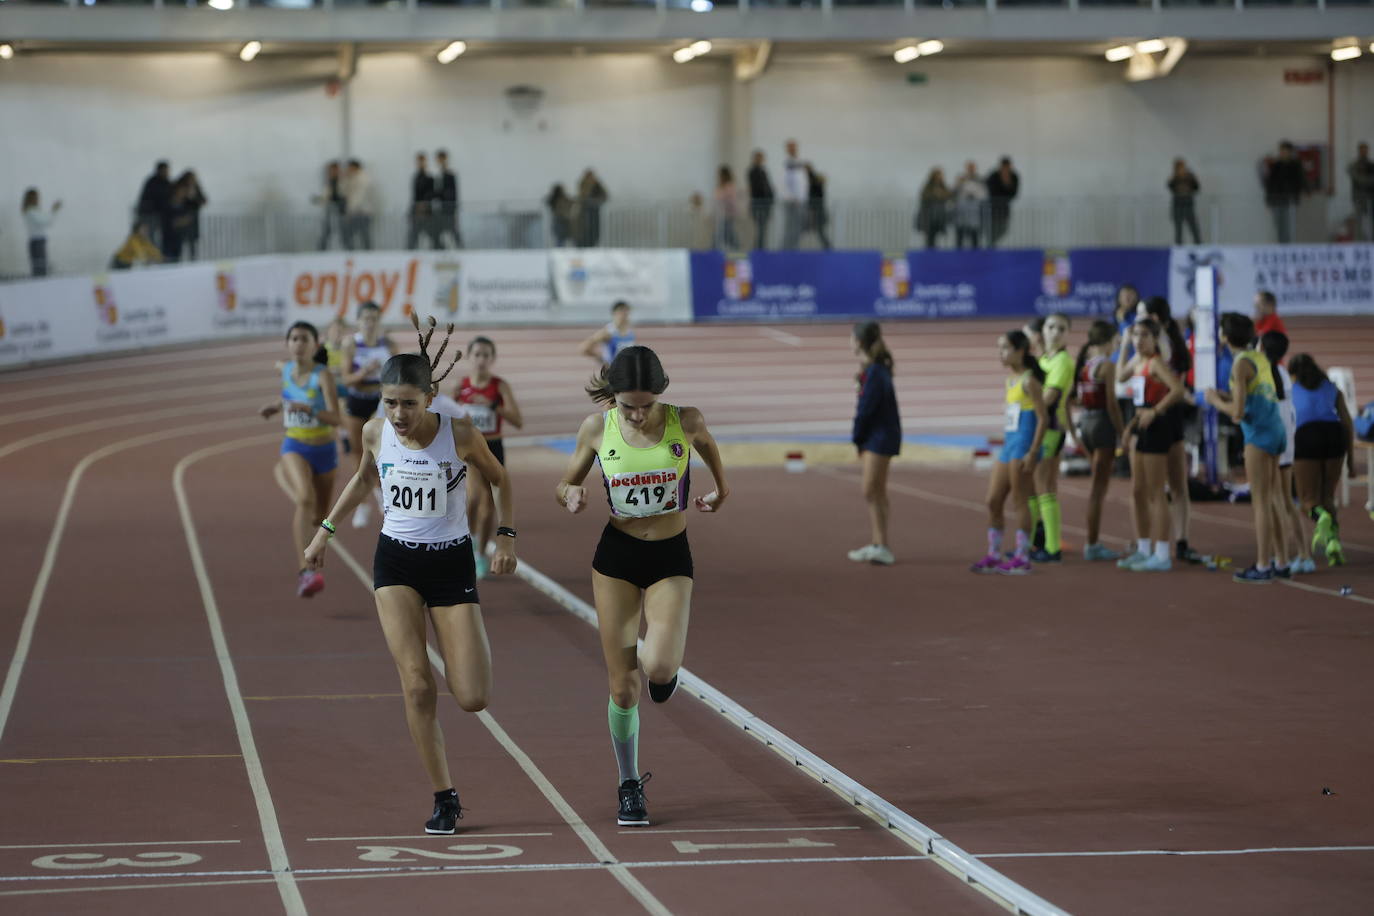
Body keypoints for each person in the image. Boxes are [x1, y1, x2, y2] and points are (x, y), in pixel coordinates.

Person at [303, 316, 517, 836]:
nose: (398, 414)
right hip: (395, 561)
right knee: (418, 685)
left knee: (472, 697)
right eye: (390, 402)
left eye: (408, 403)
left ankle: (466, 653)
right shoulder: (375, 430)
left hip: (451, 562)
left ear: (430, 397)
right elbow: (362, 478)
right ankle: (445, 795)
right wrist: (324, 531)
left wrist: (505, 534)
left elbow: (499, 477)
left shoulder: (458, 433)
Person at [554, 346, 729, 826]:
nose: (635, 413)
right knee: (622, 688)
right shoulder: (598, 428)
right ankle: (629, 783)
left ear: (661, 393)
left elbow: (710, 449)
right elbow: (563, 482)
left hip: (670, 554)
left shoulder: (684, 421)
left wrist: (721, 488)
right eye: (626, 404)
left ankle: (663, 676)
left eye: (644, 404)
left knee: (657, 665)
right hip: (616, 558)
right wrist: (570, 493)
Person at [259, 322, 342, 598]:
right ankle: (306, 572)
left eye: (304, 339)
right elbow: (287, 396)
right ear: (288, 343)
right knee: (304, 499)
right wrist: (276, 407)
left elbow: (336, 418)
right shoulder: (285, 370)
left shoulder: (323, 376)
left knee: (319, 518)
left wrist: (311, 409)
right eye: (293, 338)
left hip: (324, 450)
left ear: (315, 345)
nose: (298, 343)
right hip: (294, 445)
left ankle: (314, 558)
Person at [1205, 313, 1290, 584]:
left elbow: (1238, 412)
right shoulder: (1258, 357)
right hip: (1276, 430)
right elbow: (1255, 393)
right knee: (1274, 499)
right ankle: (1281, 560)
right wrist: (1226, 396)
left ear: (1224, 336)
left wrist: (1215, 402)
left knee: (1261, 503)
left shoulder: (1239, 365)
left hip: (1259, 436)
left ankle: (1263, 565)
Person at [971, 330, 1047, 575]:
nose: (1000, 354)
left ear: (1020, 351)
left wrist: (1034, 451)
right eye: (999, 348)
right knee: (992, 500)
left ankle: (1023, 557)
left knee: (1020, 501)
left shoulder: (1029, 381)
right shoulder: (1010, 381)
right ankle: (994, 554)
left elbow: (1043, 419)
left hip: (1023, 446)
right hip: (1009, 445)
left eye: (1005, 348)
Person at [1115, 318, 1186, 573]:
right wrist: (1124, 345)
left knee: (1156, 493)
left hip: (1157, 428)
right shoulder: (1138, 361)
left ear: (1155, 339)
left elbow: (1178, 390)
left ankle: (1162, 553)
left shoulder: (1156, 363)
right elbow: (1120, 377)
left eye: (1144, 335)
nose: (1138, 340)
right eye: (1135, 335)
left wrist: (1155, 412)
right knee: (1138, 491)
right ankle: (1144, 549)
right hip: (1140, 425)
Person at [454, 336, 523, 578]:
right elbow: (445, 417)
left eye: (486, 355)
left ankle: (480, 553)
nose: (481, 359)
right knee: (475, 501)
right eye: (477, 354)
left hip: (494, 447)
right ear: (469, 356)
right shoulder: (460, 387)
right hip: (471, 449)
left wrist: (493, 406)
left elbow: (518, 421)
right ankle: (470, 541)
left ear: (492, 358)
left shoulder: (500, 386)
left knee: (487, 506)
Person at [1139, 296, 1198, 564]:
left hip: (1160, 415)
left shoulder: (1163, 347)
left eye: (1141, 314)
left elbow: (1177, 386)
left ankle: (1162, 546)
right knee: (1176, 485)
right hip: (1170, 416)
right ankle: (1179, 540)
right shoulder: (1170, 341)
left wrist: (1157, 408)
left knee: (1161, 487)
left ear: (1154, 318)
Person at [1288, 352, 1355, 567]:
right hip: (1335, 437)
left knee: (1307, 502)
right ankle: (1333, 544)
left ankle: (1320, 519)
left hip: (1307, 436)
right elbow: (1347, 423)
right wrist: (1351, 460)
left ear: (1294, 375)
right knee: (1328, 497)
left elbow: (1286, 424)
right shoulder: (1332, 388)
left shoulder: (1290, 390)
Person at [1071, 320, 1126, 560]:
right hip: (1103, 425)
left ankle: (1093, 543)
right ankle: (1092, 545)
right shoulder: (1107, 367)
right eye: (1116, 339)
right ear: (1109, 340)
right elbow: (1112, 404)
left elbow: (1080, 399)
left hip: (1087, 423)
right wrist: (1122, 431)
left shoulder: (1085, 366)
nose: (1118, 343)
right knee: (1098, 490)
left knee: (1097, 488)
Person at [847, 322, 901, 566]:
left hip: (880, 436)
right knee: (875, 491)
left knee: (871, 489)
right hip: (876, 435)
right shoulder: (872, 369)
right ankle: (879, 543)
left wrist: (857, 437)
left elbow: (867, 409)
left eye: (851, 338)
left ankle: (883, 545)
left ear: (859, 341)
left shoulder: (877, 372)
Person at [1261, 331, 1313, 575]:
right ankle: (1303, 554)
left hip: (1274, 442)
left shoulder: (1266, 375)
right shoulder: (1282, 372)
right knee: (1285, 502)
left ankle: (1277, 555)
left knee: (1274, 502)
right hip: (1287, 442)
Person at [340, 302, 396, 528]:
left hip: (380, 401)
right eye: (366, 318)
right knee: (358, 453)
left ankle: (382, 494)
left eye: (374, 318)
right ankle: (363, 503)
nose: (370, 323)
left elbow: (397, 373)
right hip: (357, 401)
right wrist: (365, 371)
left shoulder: (388, 344)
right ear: (358, 321)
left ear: (379, 320)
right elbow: (345, 378)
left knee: (380, 453)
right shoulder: (351, 344)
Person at [1028, 313, 1075, 564]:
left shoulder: (1062, 362)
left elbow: (1049, 398)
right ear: (1043, 331)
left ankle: (1052, 547)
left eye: (1061, 328)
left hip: (1051, 429)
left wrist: (1026, 406)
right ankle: (1038, 541)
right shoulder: (1043, 360)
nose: (1055, 332)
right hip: (1037, 428)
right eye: (1051, 327)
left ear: (1067, 334)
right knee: (1033, 487)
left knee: (1044, 486)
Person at [1264, 141, 1306, 244]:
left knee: (1289, 225)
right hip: (1276, 199)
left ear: (1290, 152)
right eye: (1281, 151)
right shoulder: (1276, 165)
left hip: (1289, 199)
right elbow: (1270, 183)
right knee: (1278, 225)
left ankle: (1288, 247)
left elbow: (1300, 181)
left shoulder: (1295, 165)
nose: (1283, 153)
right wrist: (1269, 199)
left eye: (1285, 151)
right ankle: (1281, 246)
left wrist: (1298, 194)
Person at [580, 300, 635, 371]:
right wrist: (603, 360)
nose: (625, 315)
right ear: (614, 313)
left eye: (627, 312)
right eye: (622, 312)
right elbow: (584, 348)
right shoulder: (608, 332)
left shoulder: (629, 331)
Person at [21, 188, 60, 278]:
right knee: (40, 268)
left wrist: (53, 212)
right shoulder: (31, 211)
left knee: (41, 267)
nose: (38, 199)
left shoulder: (33, 211)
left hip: (39, 241)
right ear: (31, 198)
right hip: (36, 242)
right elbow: (45, 221)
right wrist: (53, 210)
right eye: (36, 197)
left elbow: (47, 221)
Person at [136, 161, 172, 249]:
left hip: (157, 214)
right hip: (150, 214)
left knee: (156, 236)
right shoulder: (153, 182)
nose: (167, 172)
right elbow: (157, 198)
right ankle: (153, 255)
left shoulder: (165, 182)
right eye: (165, 170)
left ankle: (156, 255)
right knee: (151, 236)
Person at [342, 159, 377, 251]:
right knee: (354, 234)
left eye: (349, 168)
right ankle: (356, 252)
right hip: (356, 212)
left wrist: (351, 211)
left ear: (354, 167)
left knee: (362, 234)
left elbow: (359, 197)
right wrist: (346, 179)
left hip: (362, 212)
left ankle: (367, 253)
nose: (348, 170)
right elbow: (343, 192)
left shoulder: (363, 179)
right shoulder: (351, 179)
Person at [985, 157, 1019, 247]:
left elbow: (1013, 193)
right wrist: (1002, 182)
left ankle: (992, 243)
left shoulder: (1013, 176)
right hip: (993, 207)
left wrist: (1007, 183)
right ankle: (991, 244)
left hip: (1005, 207)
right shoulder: (994, 175)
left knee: (1004, 228)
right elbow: (991, 190)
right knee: (993, 228)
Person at [313, 161, 346, 251]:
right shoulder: (329, 182)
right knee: (327, 229)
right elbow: (325, 196)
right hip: (331, 209)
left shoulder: (345, 181)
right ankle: (322, 249)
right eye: (330, 170)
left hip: (342, 210)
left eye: (334, 170)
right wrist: (319, 200)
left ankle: (347, 249)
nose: (332, 172)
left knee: (344, 230)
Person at [952, 161, 986, 249]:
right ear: (966, 168)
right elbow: (955, 190)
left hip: (974, 208)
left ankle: (975, 252)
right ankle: (958, 252)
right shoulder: (961, 178)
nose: (971, 169)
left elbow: (983, 193)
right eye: (969, 167)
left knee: (974, 232)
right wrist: (959, 183)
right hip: (962, 208)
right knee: (960, 231)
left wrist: (974, 195)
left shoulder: (980, 179)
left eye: (972, 167)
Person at [1168, 158, 1202, 245]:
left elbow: (1196, 187)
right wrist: (1174, 178)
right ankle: (1179, 245)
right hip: (1178, 205)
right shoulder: (1174, 177)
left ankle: (1198, 244)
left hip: (1188, 204)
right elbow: (1170, 187)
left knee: (1193, 226)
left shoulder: (1190, 176)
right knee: (1178, 227)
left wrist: (1192, 179)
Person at [915, 167, 950, 249]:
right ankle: (929, 251)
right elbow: (924, 195)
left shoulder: (943, 186)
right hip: (928, 214)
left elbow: (948, 195)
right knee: (929, 235)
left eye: (940, 175)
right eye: (937, 175)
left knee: (937, 233)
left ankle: (935, 251)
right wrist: (935, 195)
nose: (939, 177)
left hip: (939, 214)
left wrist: (940, 195)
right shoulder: (928, 186)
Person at [781, 139, 807, 250]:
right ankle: (786, 249)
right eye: (790, 147)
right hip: (792, 201)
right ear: (787, 149)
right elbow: (787, 182)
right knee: (791, 227)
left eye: (794, 147)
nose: (793, 149)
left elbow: (801, 182)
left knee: (798, 227)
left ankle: (793, 248)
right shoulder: (788, 163)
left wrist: (802, 198)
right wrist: (791, 197)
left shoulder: (798, 162)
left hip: (800, 200)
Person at [407, 152, 436, 250]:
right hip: (416, 212)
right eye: (419, 161)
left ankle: (437, 251)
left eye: (422, 161)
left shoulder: (430, 178)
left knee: (432, 234)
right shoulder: (415, 178)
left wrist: (424, 205)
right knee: (413, 236)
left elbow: (431, 194)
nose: (420, 163)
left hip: (427, 212)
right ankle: (409, 254)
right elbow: (414, 196)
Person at [434, 150, 462, 249]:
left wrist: (454, 209)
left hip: (449, 209)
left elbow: (454, 194)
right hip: (441, 209)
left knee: (453, 231)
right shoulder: (438, 176)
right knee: (439, 231)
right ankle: (441, 250)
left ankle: (460, 249)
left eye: (442, 159)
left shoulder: (450, 175)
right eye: (439, 159)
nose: (440, 161)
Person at [747, 149, 774, 250]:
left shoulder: (763, 171)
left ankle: (761, 246)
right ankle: (759, 248)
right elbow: (757, 187)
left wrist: (771, 198)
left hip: (766, 204)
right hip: (758, 203)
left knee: (763, 228)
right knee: (760, 228)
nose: (760, 159)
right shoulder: (752, 171)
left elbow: (768, 186)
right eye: (758, 157)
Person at [576, 169, 608, 247]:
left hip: (593, 209)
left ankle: (591, 243)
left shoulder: (596, 184)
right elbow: (581, 195)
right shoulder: (583, 183)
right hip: (586, 209)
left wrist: (596, 201)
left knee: (594, 227)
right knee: (587, 228)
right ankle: (587, 243)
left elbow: (605, 195)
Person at [1350, 142, 1374, 241]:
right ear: (1359, 151)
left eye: (1365, 150)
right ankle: (1358, 240)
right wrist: (1368, 180)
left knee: (1370, 219)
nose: (1364, 152)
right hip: (1359, 197)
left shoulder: (1371, 165)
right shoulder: (1354, 165)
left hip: (1370, 196)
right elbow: (1357, 178)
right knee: (1358, 219)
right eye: (1362, 150)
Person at [805, 165, 832, 250]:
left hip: (817, 213)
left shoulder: (815, 184)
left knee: (819, 231)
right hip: (817, 212)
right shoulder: (817, 185)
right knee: (819, 231)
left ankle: (828, 246)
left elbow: (812, 198)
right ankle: (827, 246)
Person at [714, 166, 740, 250]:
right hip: (723, 213)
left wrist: (730, 209)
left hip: (728, 213)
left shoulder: (729, 186)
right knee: (725, 233)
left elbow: (730, 199)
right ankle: (736, 247)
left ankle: (737, 248)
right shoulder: (722, 186)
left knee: (726, 233)